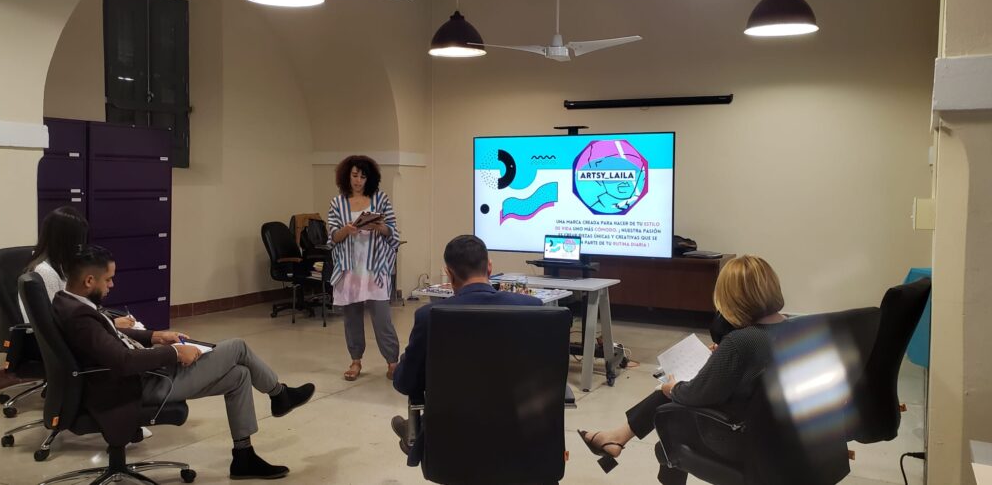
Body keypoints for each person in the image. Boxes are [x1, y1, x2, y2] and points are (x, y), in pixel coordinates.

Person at [52, 245, 316, 480]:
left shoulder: (69, 302)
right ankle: (279, 394)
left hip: (141, 377)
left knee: (239, 376)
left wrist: (156, 336)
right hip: (139, 386)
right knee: (237, 347)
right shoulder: (80, 317)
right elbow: (122, 361)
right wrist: (175, 353)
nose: (112, 285)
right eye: (108, 279)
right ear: (89, 280)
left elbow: (113, 336)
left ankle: (243, 457)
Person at [577, 255, 786, 484]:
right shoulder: (793, 327)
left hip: (740, 436)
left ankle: (616, 438)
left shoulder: (740, 341)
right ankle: (616, 437)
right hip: (780, 434)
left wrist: (673, 388)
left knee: (669, 428)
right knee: (671, 403)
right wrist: (721, 358)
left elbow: (696, 394)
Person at [390, 235, 543, 466]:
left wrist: (406, 360)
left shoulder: (429, 317)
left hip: (451, 442)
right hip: (521, 437)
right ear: (489, 267)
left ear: (449, 274)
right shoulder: (532, 308)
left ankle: (418, 433)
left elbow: (405, 383)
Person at [327, 155, 401, 381]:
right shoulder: (337, 203)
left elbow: (393, 232)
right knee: (351, 318)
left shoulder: (381, 199)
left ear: (370, 178)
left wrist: (380, 227)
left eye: (362, 176)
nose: (358, 181)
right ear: (347, 176)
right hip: (349, 268)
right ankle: (355, 360)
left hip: (375, 268)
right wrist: (346, 230)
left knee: (382, 318)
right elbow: (332, 237)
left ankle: (393, 362)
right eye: (354, 175)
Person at [21, 206, 137, 329]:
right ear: (66, 241)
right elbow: (58, 324)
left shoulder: (59, 265)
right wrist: (111, 324)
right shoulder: (44, 272)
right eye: (78, 242)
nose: (81, 247)